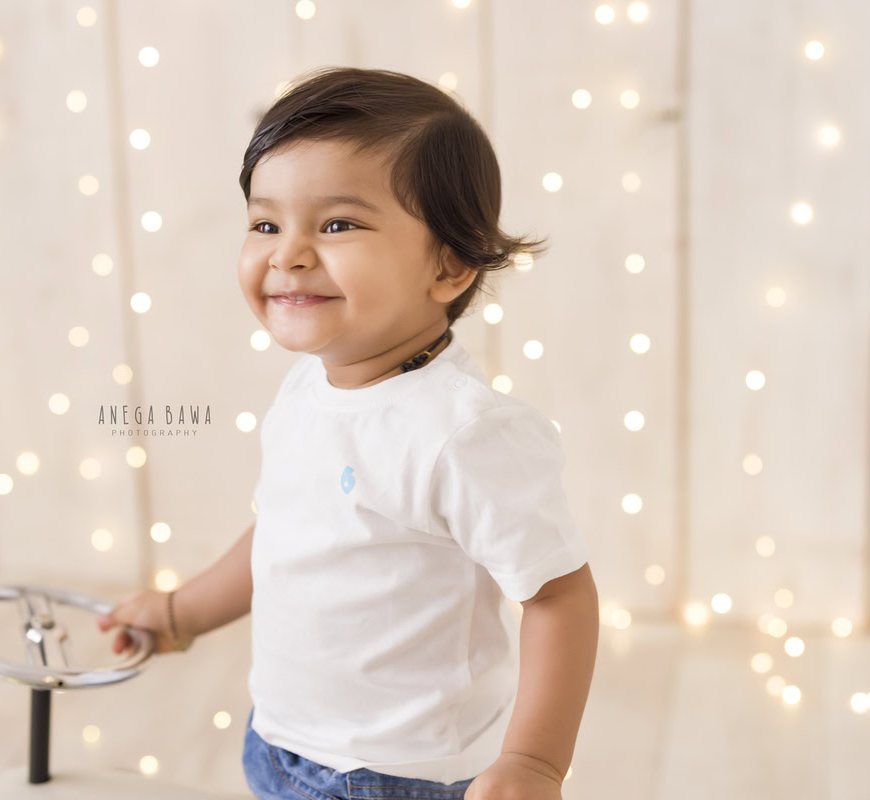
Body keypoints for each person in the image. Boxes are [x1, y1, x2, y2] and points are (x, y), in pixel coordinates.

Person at [97, 66, 600, 800]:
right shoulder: (308, 385)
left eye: (337, 225)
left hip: (399, 774)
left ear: (450, 264)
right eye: (266, 223)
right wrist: (184, 612)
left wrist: (532, 763)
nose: (288, 253)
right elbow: (287, 529)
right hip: (279, 742)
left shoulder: (463, 434)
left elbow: (559, 597)